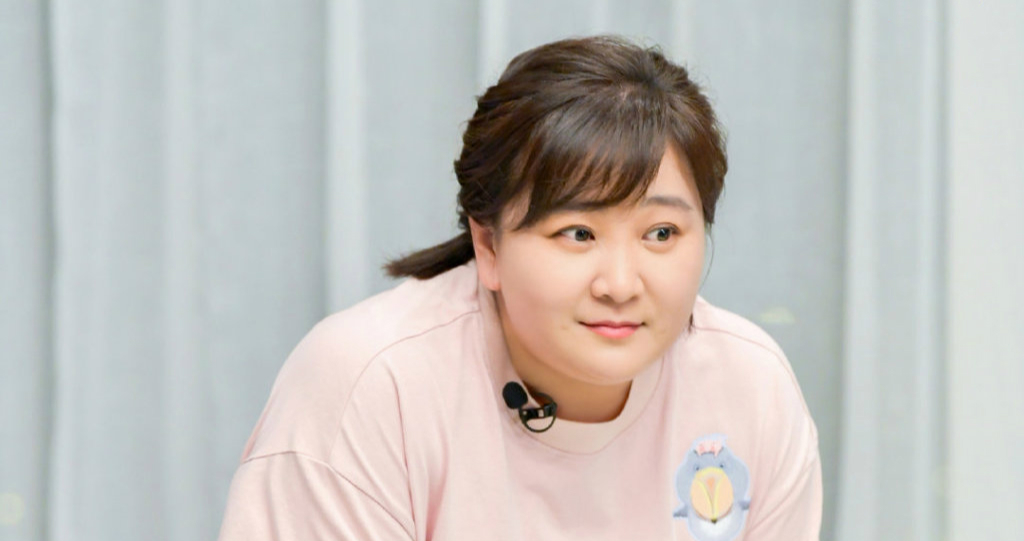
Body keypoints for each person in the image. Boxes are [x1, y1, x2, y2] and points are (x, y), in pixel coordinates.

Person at [217, 35, 822, 541]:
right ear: (488, 246)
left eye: (661, 233)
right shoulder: (372, 386)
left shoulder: (750, 389)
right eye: (578, 233)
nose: (620, 284)